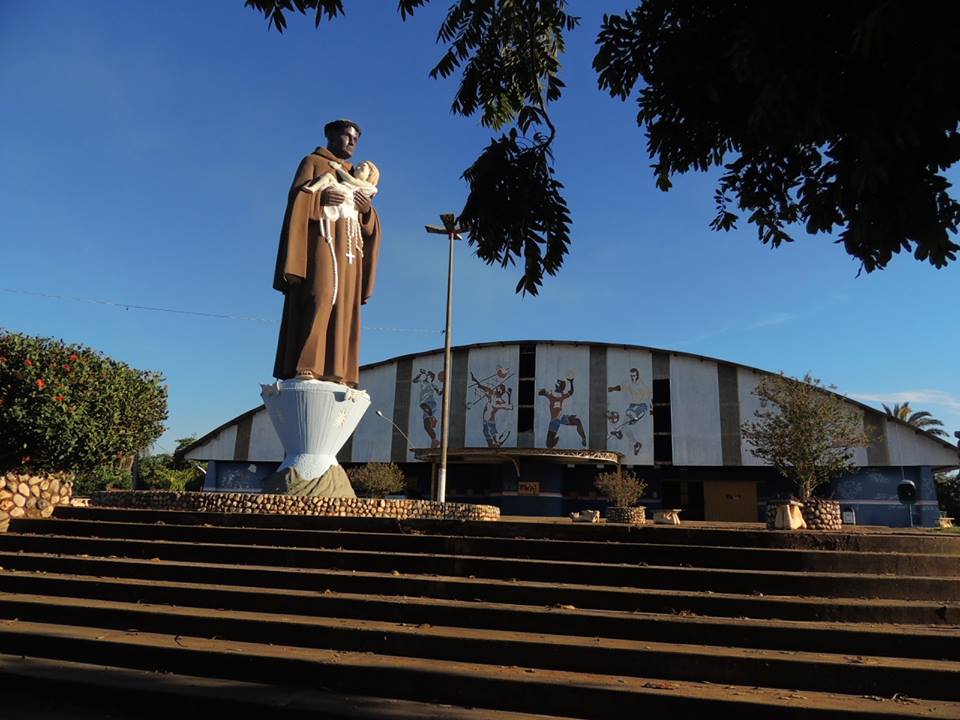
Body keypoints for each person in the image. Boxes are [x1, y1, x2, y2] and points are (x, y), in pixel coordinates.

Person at [272, 119, 382, 387]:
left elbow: (371, 226)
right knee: (321, 295)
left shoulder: (356, 175)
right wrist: (319, 199)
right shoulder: (313, 162)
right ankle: (307, 365)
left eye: (356, 139)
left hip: (350, 250)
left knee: (345, 305)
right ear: (332, 136)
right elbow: (297, 200)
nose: (352, 142)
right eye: (347, 136)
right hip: (322, 240)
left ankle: (338, 370)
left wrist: (367, 210)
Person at [607, 367, 651, 456]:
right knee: (626, 427)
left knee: (629, 416)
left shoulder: (642, 385)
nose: (632, 378)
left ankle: (619, 431)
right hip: (633, 406)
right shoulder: (630, 384)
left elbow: (649, 397)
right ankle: (636, 444)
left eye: (634, 376)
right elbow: (621, 387)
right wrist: (613, 388)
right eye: (631, 376)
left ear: (637, 375)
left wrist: (651, 409)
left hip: (641, 407)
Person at [539, 377, 586, 448]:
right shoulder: (561, 395)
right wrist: (571, 382)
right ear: (561, 388)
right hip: (560, 418)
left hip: (555, 420)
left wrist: (543, 392)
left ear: (557, 387)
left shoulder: (551, 394)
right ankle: (583, 438)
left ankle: (554, 442)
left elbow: (541, 393)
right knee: (577, 421)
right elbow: (571, 392)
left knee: (549, 444)